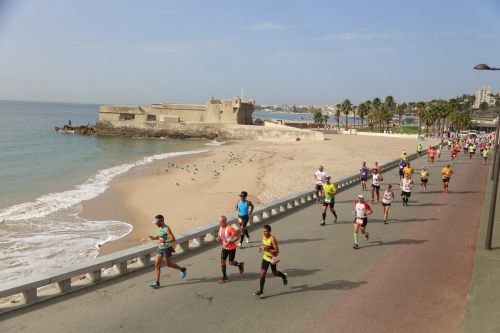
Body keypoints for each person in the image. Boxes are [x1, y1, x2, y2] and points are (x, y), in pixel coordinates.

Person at [148, 215, 187, 289]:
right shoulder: (160, 227)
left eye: (157, 222)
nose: (156, 224)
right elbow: (161, 236)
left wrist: (165, 241)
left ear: (162, 221)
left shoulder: (167, 228)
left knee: (169, 264)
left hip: (167, 248)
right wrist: (154, 238)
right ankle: (157, 283)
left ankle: (182, 269)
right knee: (157, 265)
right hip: (160, 248)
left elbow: (173, 239)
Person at [253, 225, 288, 298]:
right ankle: (261, 292)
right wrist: (261, 248)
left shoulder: (272, 239)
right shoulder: (263, 237)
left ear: (269, 232)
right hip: (265, 257)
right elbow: (264, 245)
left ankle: (284, 276)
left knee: (274, 273)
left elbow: (277, 250)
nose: (264, 233)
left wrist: (267, 249)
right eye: (263, 231)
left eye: (265, 231)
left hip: (272, 258)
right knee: (262, 274)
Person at [217, 215, 244, 283]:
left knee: (231, 262)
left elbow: (236, 237)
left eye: (221, 222)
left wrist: (229, 242)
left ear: (225, 221)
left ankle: (240, 265)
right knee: (222, 261)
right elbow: (220, 236)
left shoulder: (230, 228)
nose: (220, 223)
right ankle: (225, 277)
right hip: (224, 248)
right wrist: (218, 238)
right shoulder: (220, 228)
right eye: (219, 222)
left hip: (231, 248)